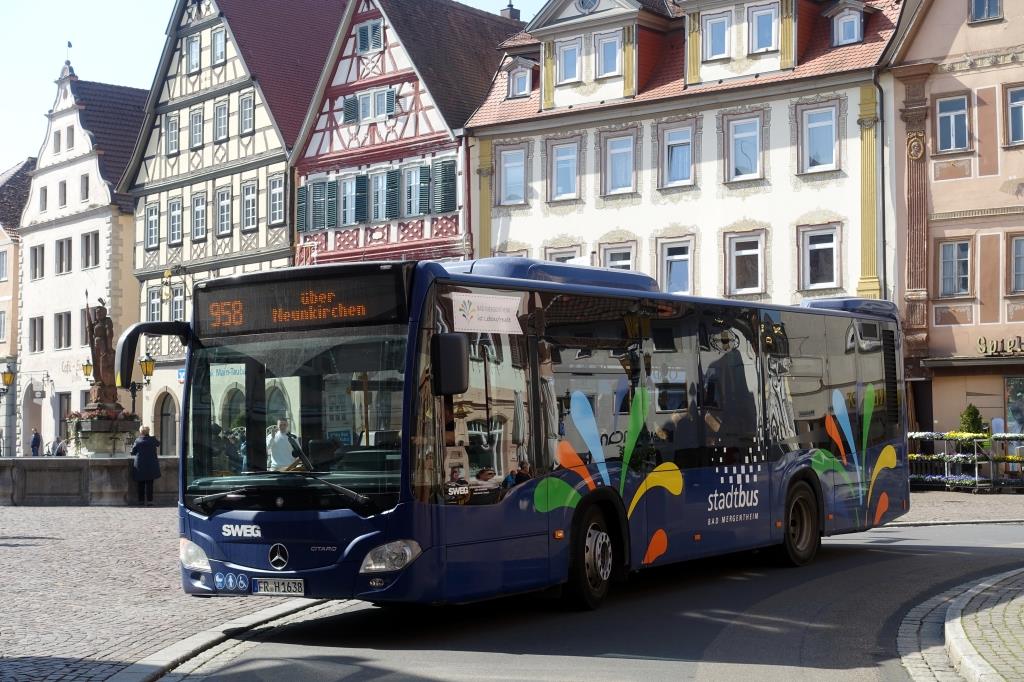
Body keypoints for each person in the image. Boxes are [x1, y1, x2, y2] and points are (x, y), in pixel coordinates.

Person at [131, 426, 162, 506]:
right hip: (151, 464)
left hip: (140, 464)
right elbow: (158, 444)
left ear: (141, 432)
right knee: (150, 484)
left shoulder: (138, 440)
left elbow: (133, 452)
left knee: (140, 483)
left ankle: (141, 501)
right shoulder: (152, 439)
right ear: (148, 431)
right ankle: (150, 501)